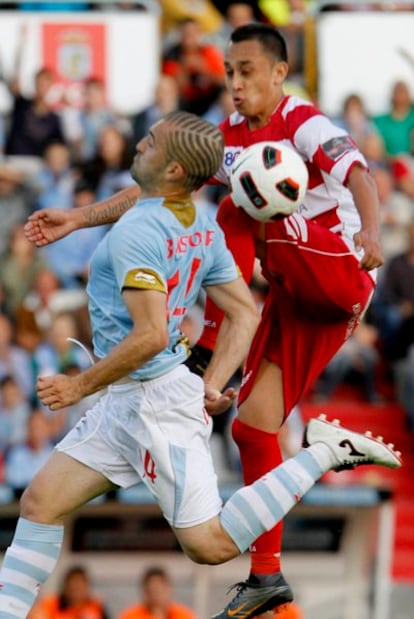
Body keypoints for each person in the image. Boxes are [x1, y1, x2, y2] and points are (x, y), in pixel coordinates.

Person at [23, 24, 389, 615]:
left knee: (238, 202)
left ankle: (205, 355)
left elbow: (360, 177)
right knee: (252, 428)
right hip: (295, 293)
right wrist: (79, 216)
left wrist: (371, 231)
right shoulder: (226, 141)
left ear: (278, 72)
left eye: (247, 71)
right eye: (229, 72)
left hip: (343, 267)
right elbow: (153, 189)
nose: (236, 83)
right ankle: (267, 580)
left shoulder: (303, 123)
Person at [28, 564, 109, 619]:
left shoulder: (96, 606)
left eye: (79, 586)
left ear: (86, 586)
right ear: (66, 586)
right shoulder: (51, 604)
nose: (76, 589)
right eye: (73, 586)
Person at [117, 566, 196, 619]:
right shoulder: (131, 616)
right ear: (145, 591)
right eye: (153, 590)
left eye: (160, 589)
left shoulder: (183, 615)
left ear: (168, 589)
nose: (157, 594)